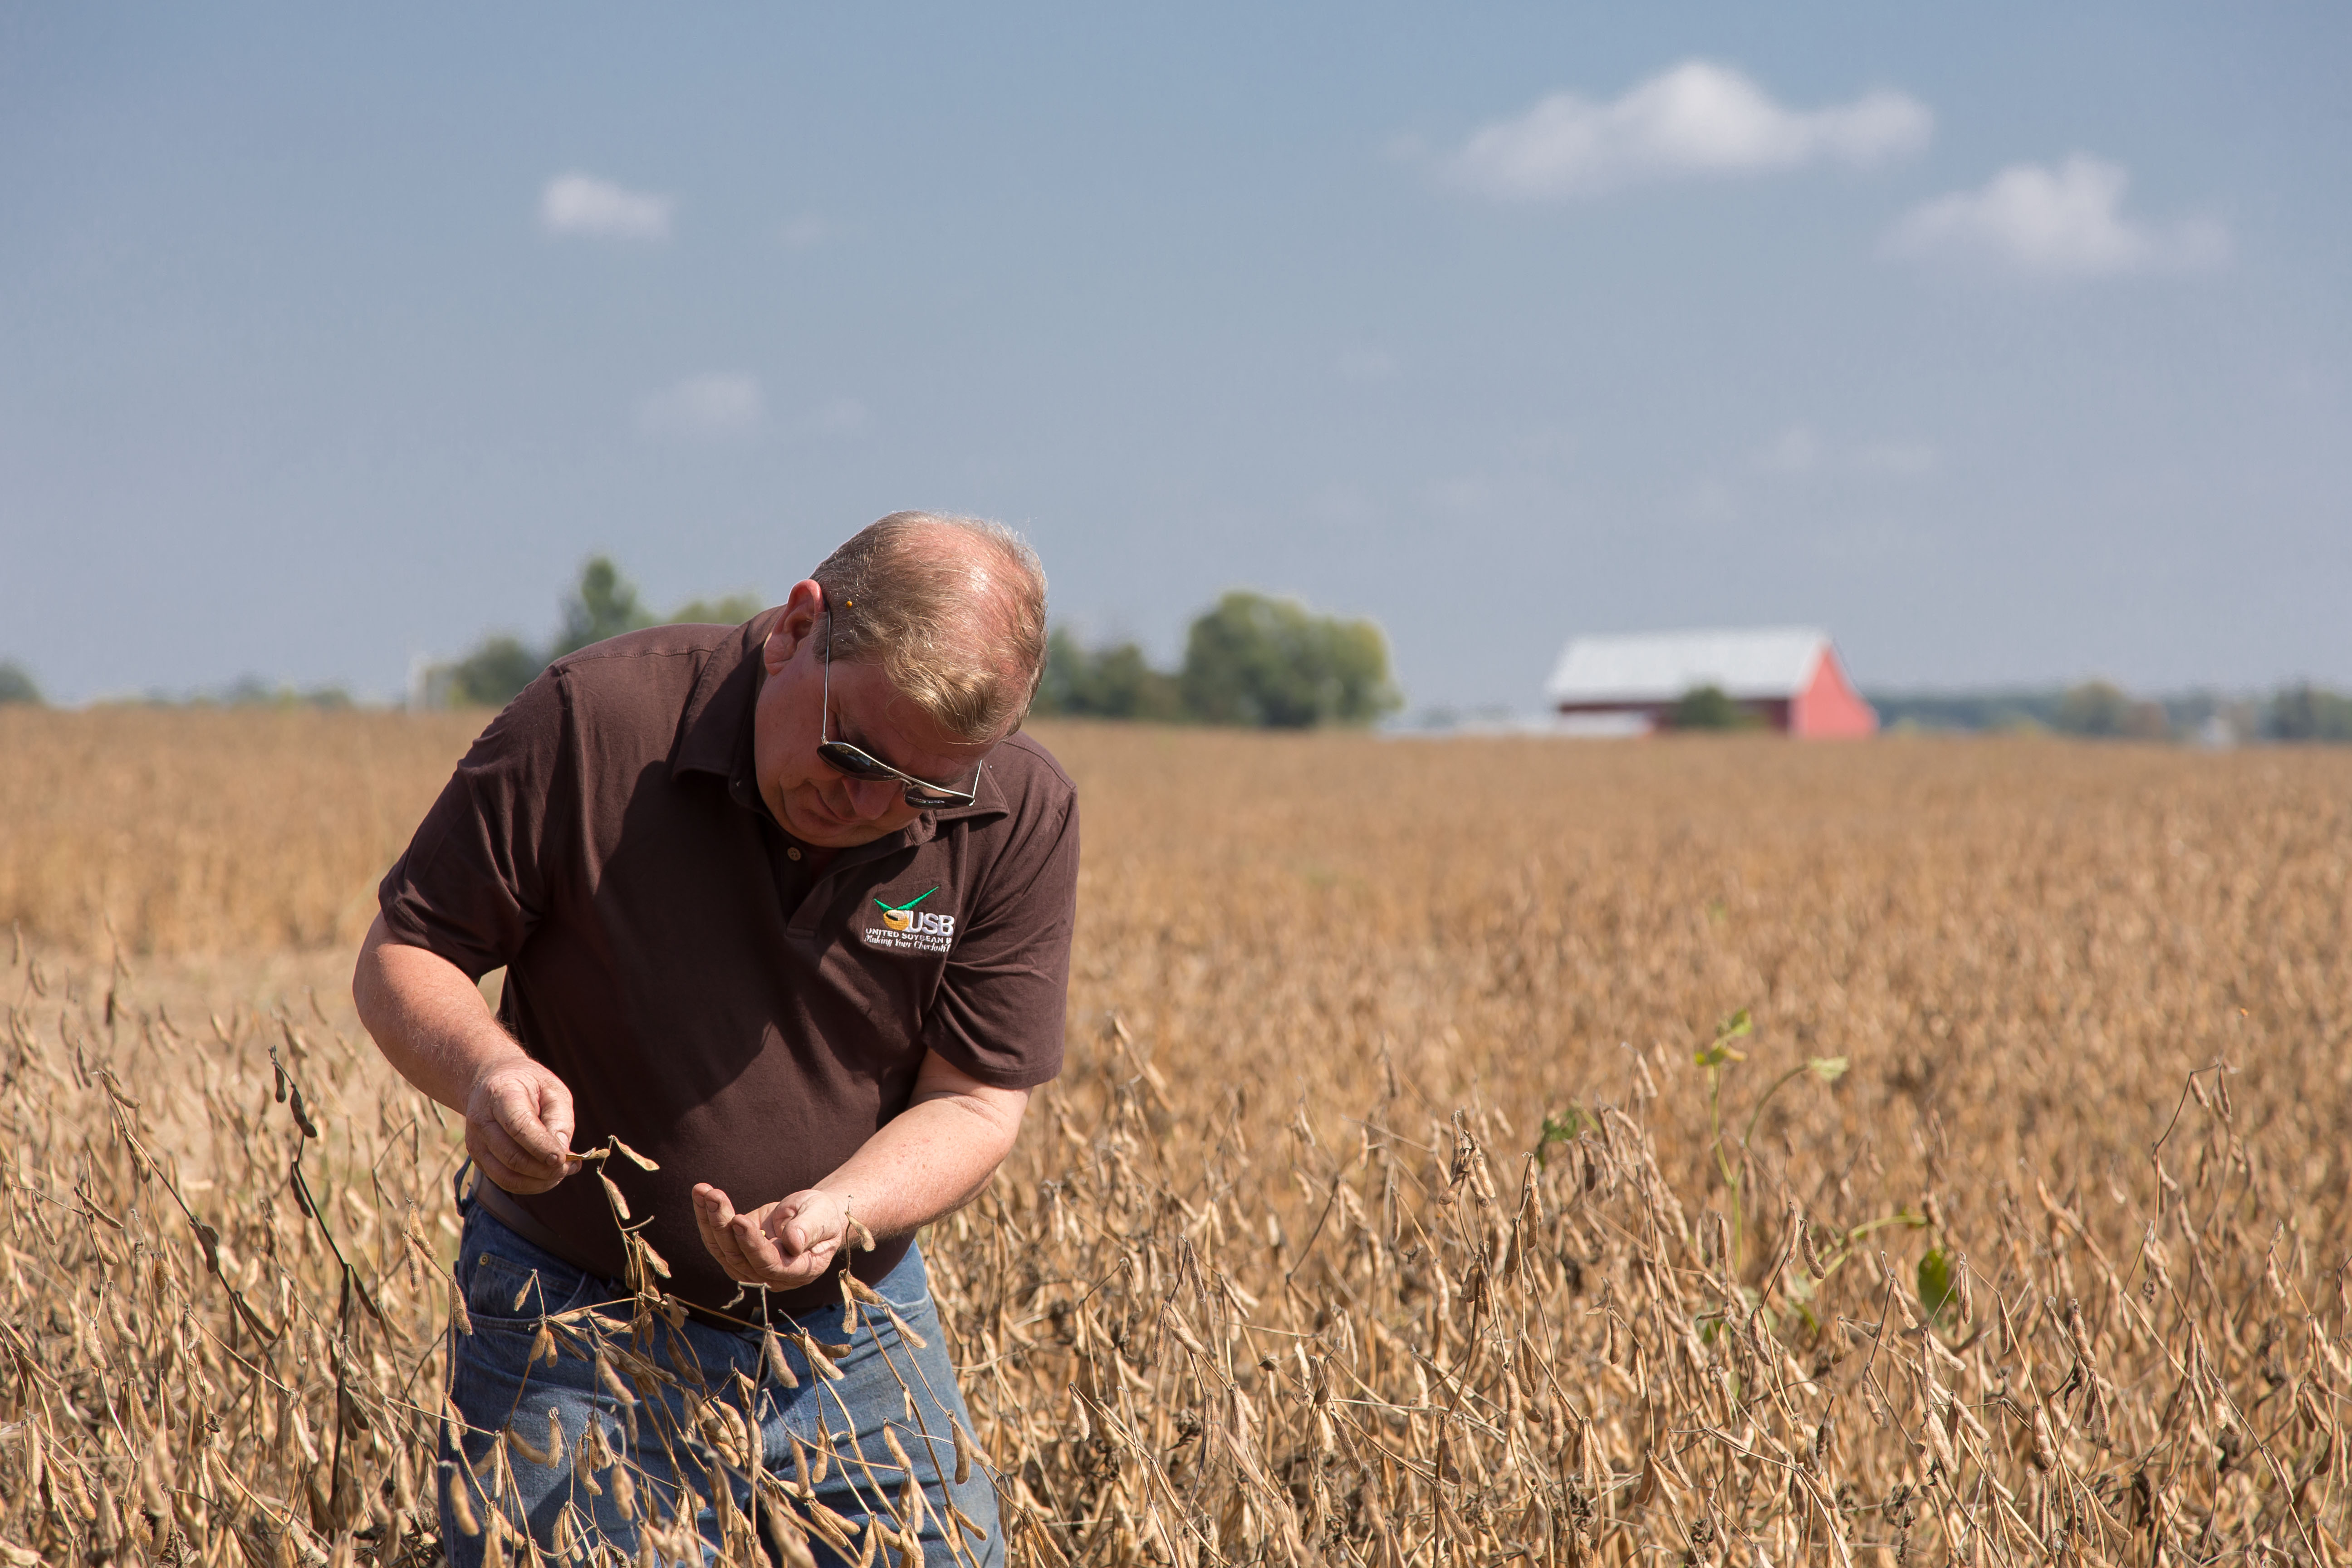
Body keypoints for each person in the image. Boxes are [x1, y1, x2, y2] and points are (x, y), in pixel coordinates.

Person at [353, 513, 1077, 1566]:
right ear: (796, 629)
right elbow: (407, 951)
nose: (873, 805)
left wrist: (842, 1211)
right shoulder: (593, 723)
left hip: (856, 1329)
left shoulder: (1015, 809)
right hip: (572, 1319)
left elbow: (974, 1100)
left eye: (922, 788)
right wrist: (489, 1072)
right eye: (853, 752)